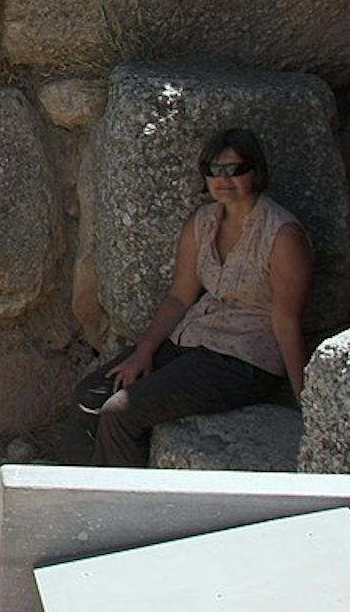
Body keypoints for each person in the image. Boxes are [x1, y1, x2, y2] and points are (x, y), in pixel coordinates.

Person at [75, 127, 314, 467]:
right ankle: (77, 492)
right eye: (214, 170)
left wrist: (303, 399)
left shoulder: (282, 234)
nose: (223, 179)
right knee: (90, 396)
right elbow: (179, 297)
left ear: (256, 172)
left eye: (235, 170)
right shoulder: (202, 223)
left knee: (120, 412)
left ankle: (117, 509)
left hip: (243, 358)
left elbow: (286, 320)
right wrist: (144, 351)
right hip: (193, 341)